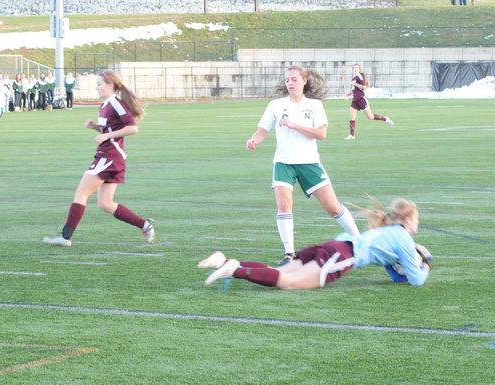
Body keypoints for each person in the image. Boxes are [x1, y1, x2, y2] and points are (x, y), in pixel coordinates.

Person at [245, 65, 360, 266]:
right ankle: (289, 253)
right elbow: (262, 130)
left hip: (309, 163)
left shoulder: (314, 105)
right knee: (284, 205)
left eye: (294, 79)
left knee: (333, 207)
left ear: (304, 81)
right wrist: (253, 140)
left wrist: (294, 125)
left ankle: (359, 241)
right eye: (287, 80)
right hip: (283, 163)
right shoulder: (276, 105)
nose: (290, 83)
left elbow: (321, 134)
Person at [199, 197, 430, 290]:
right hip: (344, 256)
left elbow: (396, 275)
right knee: (288, 283)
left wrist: (401, 265)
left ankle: (226, 262)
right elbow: (415, 279)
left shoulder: (385, 230)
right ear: (407, 220)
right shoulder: (404, 238)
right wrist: (426, 264)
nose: (418, 223)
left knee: (279, 272)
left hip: (334, 246)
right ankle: (234, 270)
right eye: (417, 219)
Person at [44, 69, 155, 247]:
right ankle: (144, 224)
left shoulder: (116, 103)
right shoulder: (104, 105)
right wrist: (95, 127)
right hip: (111, 156)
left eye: (100, 84)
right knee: (105, 204)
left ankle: (65, 237)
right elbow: (110, 129)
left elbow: (132, 128)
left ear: (110, 85)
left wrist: (106, 136)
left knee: (81, 193)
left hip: (110, 156)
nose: (97, 88)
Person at [345, 64, 393, 140]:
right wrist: (350, 93)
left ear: (359, 69)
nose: (355, 69)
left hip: (361, 99)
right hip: (355, 100)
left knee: (371, 117)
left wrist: (355, 84)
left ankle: (385, 119)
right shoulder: (354, 77)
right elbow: (355, 88)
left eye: (357, 68)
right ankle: (352, 135)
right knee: (352, 118)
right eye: (354, 68)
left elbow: (364, 87)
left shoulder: (360, 76)